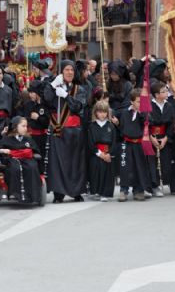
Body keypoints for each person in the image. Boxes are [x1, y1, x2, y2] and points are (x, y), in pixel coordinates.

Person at [43, 60, 88, 203]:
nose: (69, 72)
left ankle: (76, 192)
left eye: (72, 70)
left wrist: (66, 96)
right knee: (57, 162)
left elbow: (77, 107)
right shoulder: (54, 87)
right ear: (61, 71)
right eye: (66, 69)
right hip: (58, 129)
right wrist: (52, 86)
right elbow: (47, 100)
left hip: (74, 130)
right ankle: (59, 192)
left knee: (75, 162)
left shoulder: (79, 89)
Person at [0, 116, 43, 204]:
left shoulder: (28, 139)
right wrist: (3, 150)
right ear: (16, 127)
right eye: (23, 126)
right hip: (12, 159)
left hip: (27, 159)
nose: (25, 128)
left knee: (32, 167)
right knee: (15, 168)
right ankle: (15, 193)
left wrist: (31, 153)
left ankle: (32, 194)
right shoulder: (7, 138)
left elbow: (36, 150)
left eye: (26, 126)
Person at [116, 88, 150, 202]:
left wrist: (141, 113)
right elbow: (122, 127)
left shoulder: (144, 114)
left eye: (141, 102)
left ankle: (138, 190)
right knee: (125, 167)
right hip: (126, 142)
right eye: (138, 101)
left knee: (139, 167)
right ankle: (123, 190)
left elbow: (146, 124)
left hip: (138, 143)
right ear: (132, 102)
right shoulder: (125, 113)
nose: (140, 104)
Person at [148, 81, 175, 197]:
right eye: (163, 91)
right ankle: (154, 186)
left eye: (166, 91)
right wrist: (150, 137)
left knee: (165, 161)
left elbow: (171, 124)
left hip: (164, 136)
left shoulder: (168, 105)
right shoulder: (149, 106)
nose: (166, 93)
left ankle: (166, 182)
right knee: (152, 162)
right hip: (152, 136)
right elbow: (146, 123)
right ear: (156, 94)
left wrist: (166, 138)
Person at [87, 101, 116, 201]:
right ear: (95, 113)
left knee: (107, 172)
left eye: (104, 112)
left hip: (108, 153)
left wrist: (109, 154)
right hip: (96, 153)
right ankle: (97, 191)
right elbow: (90, 143)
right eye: (100, 112)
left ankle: (105, 193)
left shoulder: (111, 126)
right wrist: (100, 154)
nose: (102, 114)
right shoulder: (91, 126)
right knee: (96, 171)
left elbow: (114, 142)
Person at [21, 80, 50, 174]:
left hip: (41, 137)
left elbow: (47, 122)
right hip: (29, 136)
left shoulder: (45, 106)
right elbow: (25, 119)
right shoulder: (28, 104)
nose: (30, 95)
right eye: (29, 92)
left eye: (32, 92)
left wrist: (38, 118)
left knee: (40, 159)